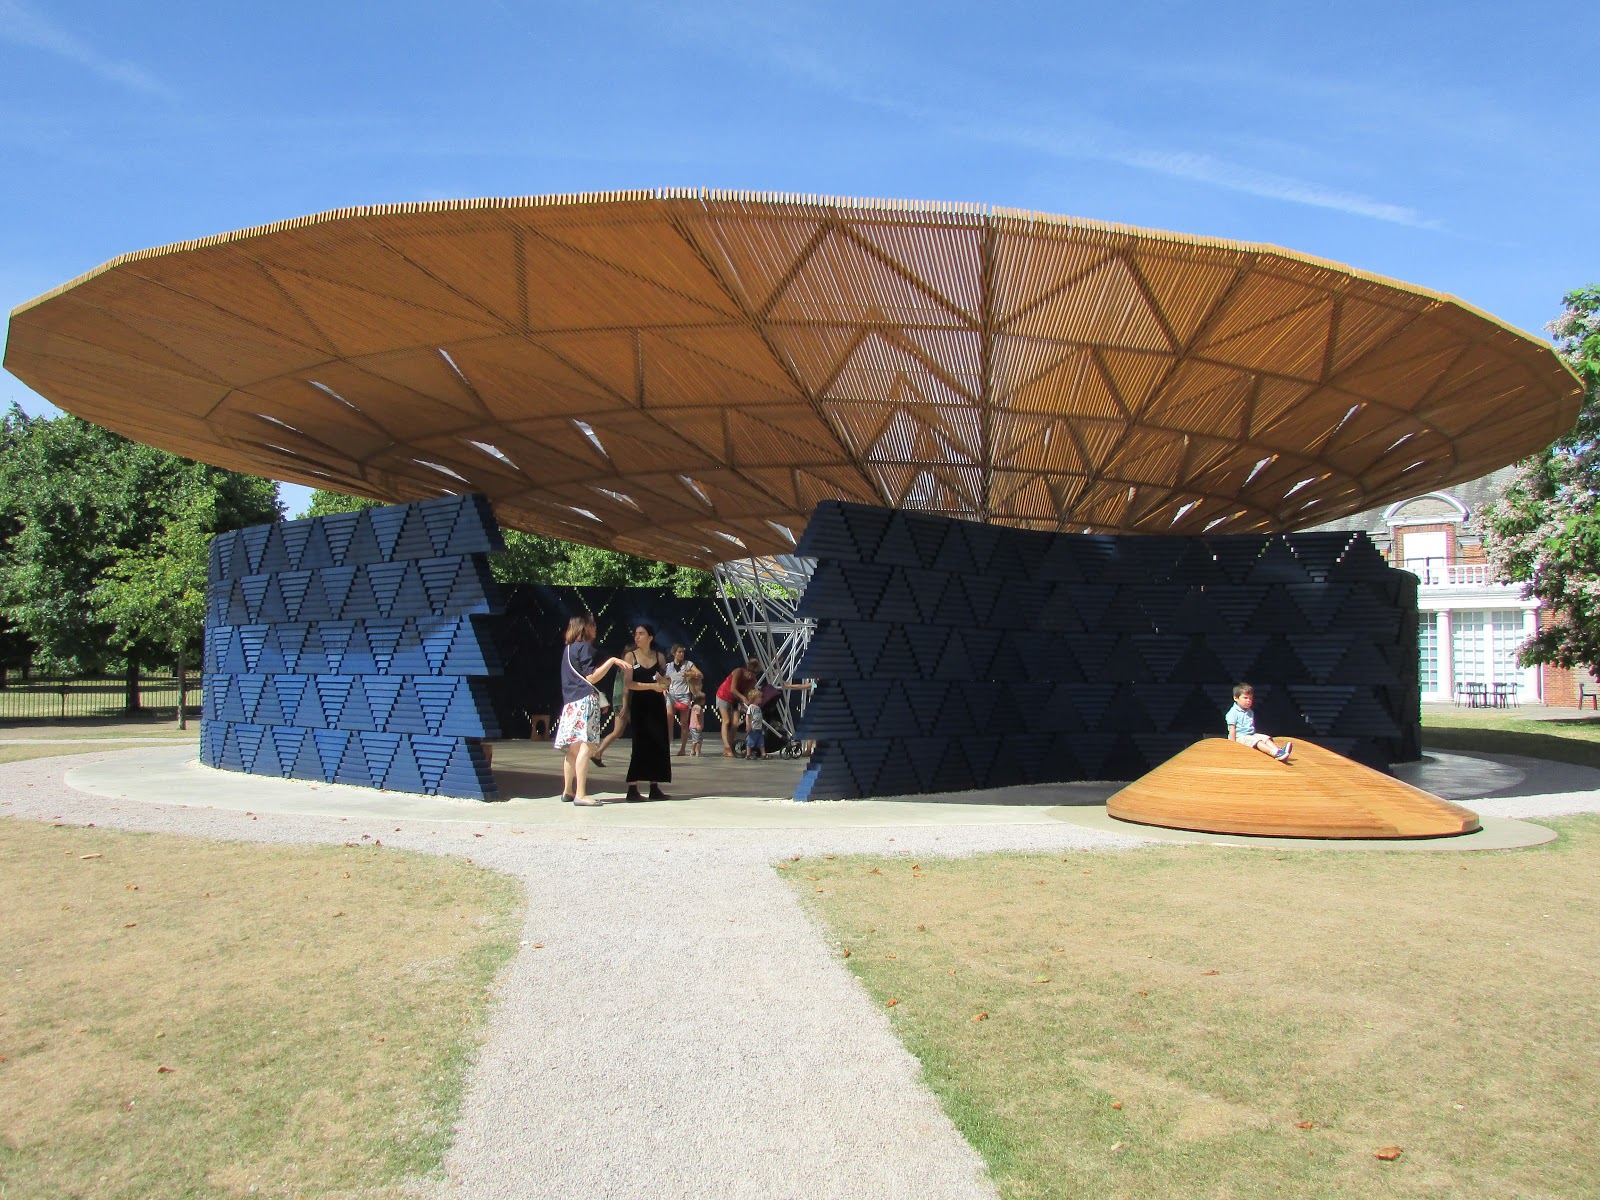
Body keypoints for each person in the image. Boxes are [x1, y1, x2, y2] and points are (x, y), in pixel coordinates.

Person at [554, 612, 630, 806]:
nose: (595, 628)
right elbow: (591, 677)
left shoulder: (568, 649)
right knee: (587, 746)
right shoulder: (585, 648)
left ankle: (567, 790)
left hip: (570, 703)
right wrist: (611, 661)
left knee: (573, 749)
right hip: (585, 702)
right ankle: (581, 793)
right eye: (593, 625)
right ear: (585, 627)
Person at [622, 623, 673, 801]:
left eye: (641, 634)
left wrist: (663, 681)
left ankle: (654, 786)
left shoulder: (659, 656)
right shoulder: (630, 656)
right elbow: (628, 683)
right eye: (636, 633)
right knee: (639, 744)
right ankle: (632, 787)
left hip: (656, 705)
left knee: (657, 743)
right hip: (639, 705)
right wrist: (652, 686)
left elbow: (666, 683)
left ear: (650, 638)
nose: (637, 637)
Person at [1225, 682, 1292, 761]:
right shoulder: (1233, 713)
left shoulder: (1250, 711)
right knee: (1258, 741)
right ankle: (1274, 753)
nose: (1248, 700)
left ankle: (1278, 751)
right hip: (1240, 737)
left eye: (1250, 698)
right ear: (1236, 698)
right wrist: (1233, 744)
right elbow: (1232, 729)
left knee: (1266, 738)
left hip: (1251, 734)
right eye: (1245, 698)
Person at [715, 658, 761, 758]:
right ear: (746, 670)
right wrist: (743, 698)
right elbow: (733, 689)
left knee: (735, 723)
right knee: (726, 720)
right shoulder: (738, 672)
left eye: (753, 675)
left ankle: (729, 746)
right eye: (749, 674)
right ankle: (727, 747)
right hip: (724, 696)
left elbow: (746, 693)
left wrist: (746, 703)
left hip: (735, 700)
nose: (750, 676)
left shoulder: (752, 681)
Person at [662, 644, 700, 756]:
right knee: (669, 721)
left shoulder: (688, 664)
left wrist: (689, 673)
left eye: (683, 652)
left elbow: (700, 675)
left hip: (684, 695)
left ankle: (683, 748)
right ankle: (667, 747)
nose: (681, 654)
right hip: (671, 695)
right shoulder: (668, 666)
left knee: (684, 723)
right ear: (674, 653)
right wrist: (664, 688)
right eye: (679, 652)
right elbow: (662, 680)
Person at [742, 687, 767, 759]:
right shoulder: (751, 707)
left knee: (761, 741)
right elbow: (748, 716)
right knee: (751, 741)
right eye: (759, 697)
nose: (761, 699)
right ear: (754, 699)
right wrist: (748, 725)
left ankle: (763, 754)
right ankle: (748, 754)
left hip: (759, 728)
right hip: (753, 728)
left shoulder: (758, 707)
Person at [687, 692, 706, 757]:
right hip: (696, 727)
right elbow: (696, 716)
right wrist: (698, 724)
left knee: (695, 739)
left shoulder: (694, 707)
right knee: (698, 740)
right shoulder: (698, 707)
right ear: (699, 700)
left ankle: (693, 751)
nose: (704, 701)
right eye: (703, 699)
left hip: (693, 726)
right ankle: (698, 751)